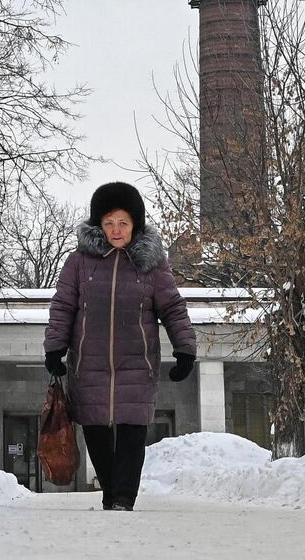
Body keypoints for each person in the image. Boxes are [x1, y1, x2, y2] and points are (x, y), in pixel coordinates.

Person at [42, 181, 196, 511]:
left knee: (131, 433)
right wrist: (54, 348)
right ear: (99, 224)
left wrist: (185, 349)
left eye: (122, 222)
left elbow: (172, 307)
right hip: (89, 363)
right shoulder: (80, 263)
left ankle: (124, 498)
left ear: (135, 224)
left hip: (137, 364)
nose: (116, 229)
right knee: (95, 432)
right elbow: (63, 306)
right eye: (109, 222)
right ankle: (111, 492)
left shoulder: (151, 265)